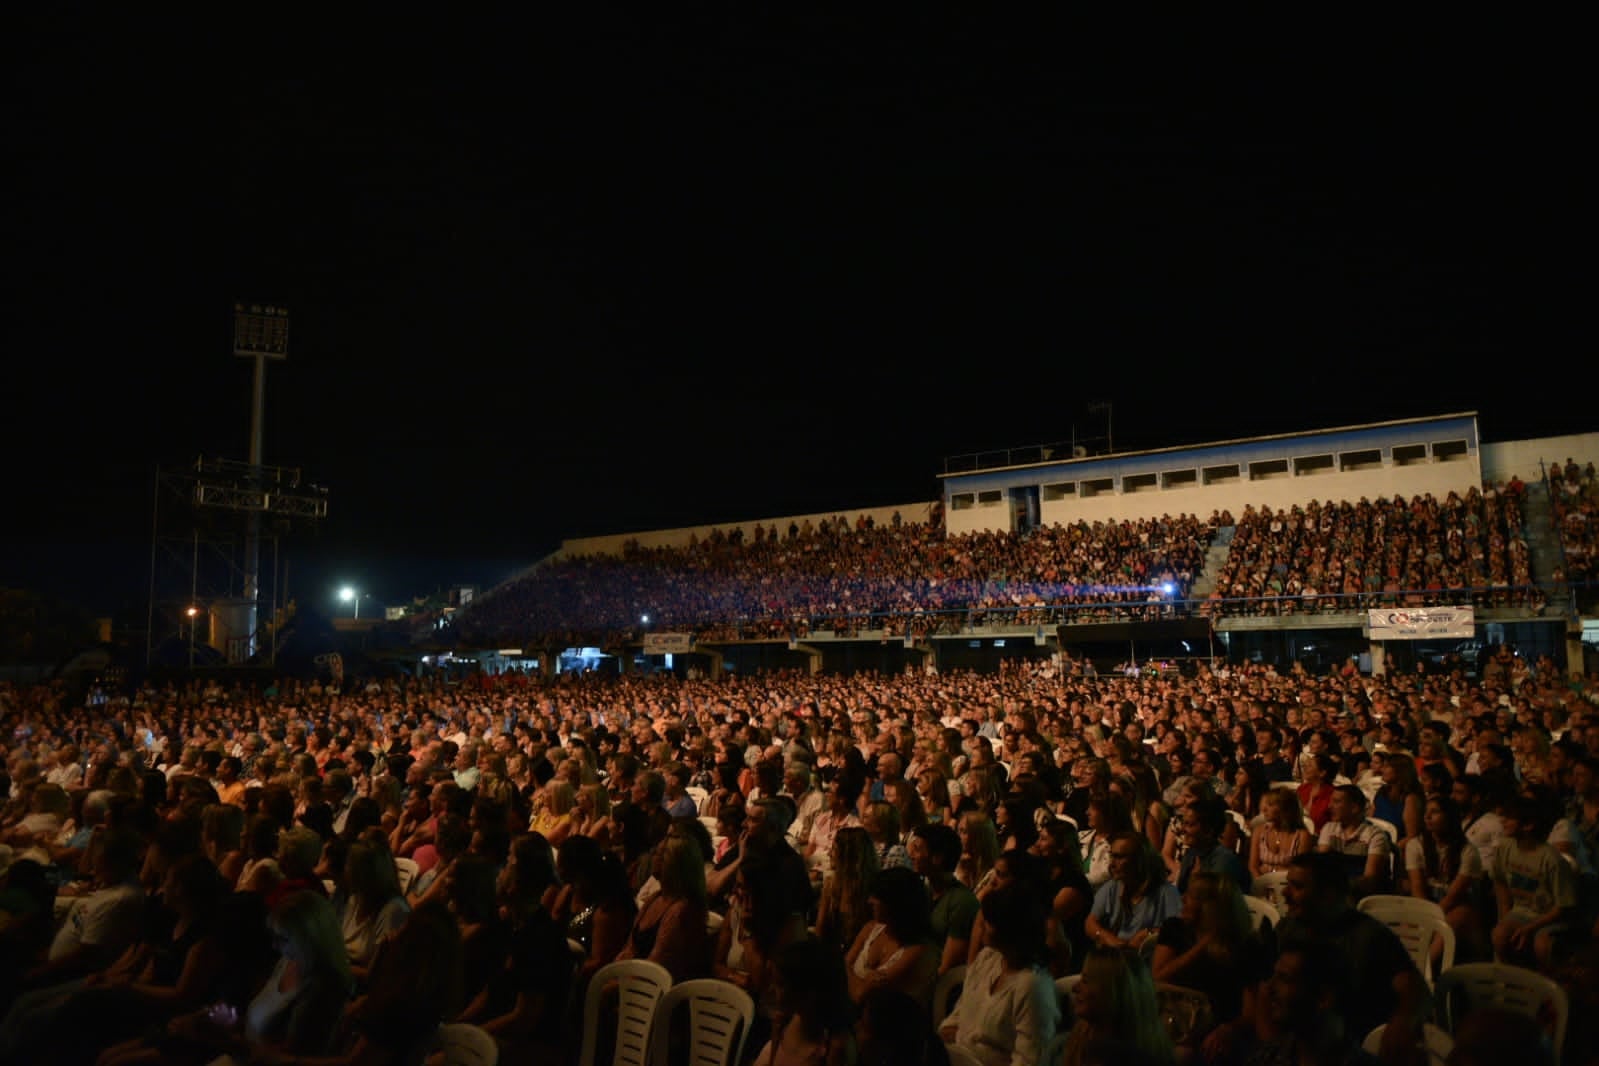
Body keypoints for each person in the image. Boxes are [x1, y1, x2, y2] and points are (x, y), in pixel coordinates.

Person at [939, 881, 1060, 1066]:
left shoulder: (1032, 987)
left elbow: (1029, 1059)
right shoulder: (988, 958)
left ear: (1007, 928)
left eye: (987, 922)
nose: (981, 926)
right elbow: (961, 1011)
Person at [1151, 871, 1266, 1028]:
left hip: (1216, 1025)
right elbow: (1159, 977)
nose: (1182, 899)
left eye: (1191, 896)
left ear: (1210, 906)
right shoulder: (1174, 928)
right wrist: (1204, 944)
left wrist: (1229, 1029)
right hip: (1173, 1016)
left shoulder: (1244, 946)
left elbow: (1250, 1012)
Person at [1490, 791, 1577, 972]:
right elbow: (1500, 881)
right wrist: (1505, 916)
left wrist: (1530, 927)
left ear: (1528, 825)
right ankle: (1510, 980)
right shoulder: (1505, 847)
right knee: (1500, 934)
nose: (1503, 821)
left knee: (1542, 944)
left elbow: (1563, 907)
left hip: (1549, 917)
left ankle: (1549, 988)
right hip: (1522, 912)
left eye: (1510, 818)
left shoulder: (1552, 860)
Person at [615, 827, 710, 982]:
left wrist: (616, 986)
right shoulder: (655, 898)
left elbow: (657, 965)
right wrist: (611, 974)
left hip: (660, 992)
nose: (653, 857)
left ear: (674, 862)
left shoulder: (682, 910)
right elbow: (630, 948)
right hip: (635, 980)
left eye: (659, 854)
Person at [844, 865, 939, 1010]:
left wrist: (850, 974)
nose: (870, 901)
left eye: (877, 897)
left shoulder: (916, 950)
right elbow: (843, 967)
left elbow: (860, 995)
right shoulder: (871, 928)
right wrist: (861, 981)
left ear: (895, 903)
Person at [751, 935, 857, 1066]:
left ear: (809, 993)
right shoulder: (783, 1021)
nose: (772, 989)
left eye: (781, 984)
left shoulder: (835, 1048)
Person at [1059, 946, 1174, 1066]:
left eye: (1086, 981)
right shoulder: (1066, 1046)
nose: (1075, 988)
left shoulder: (1148, 1058)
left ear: (1116, 993)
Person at [1084, 831, 1181, 954]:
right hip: (1120, 958)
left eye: (1119, 857)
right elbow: (1090, 923)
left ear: (1139, 860)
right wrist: (1114, 942)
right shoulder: (1113, 887)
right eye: (1112, 856)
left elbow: (1178, 930)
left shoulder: (1165, 892)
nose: (1112, 864)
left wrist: (1150, 934)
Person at [908, 823, 978, 976]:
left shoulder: (962, 902)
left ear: (937, 858)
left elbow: (947, 967)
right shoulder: (922, 890)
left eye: (917, 849)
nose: (911, 855)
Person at [815, 826, 879, 956]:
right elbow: (821, 930)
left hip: (864, 954)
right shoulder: (831, 884)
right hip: (835, 954)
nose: (829, 854)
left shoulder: (875, 887)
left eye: (834, 850)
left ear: (848, 855)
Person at [1248, 788, 1314, 879]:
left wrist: (1276, 876)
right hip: (1262, 884)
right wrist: (1261, 884)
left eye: (1270, 805)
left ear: (1285, 809)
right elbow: (1253, 867)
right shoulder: (1259, 831)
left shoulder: (1302, 836)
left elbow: (1302, 871)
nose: (1264, 809)